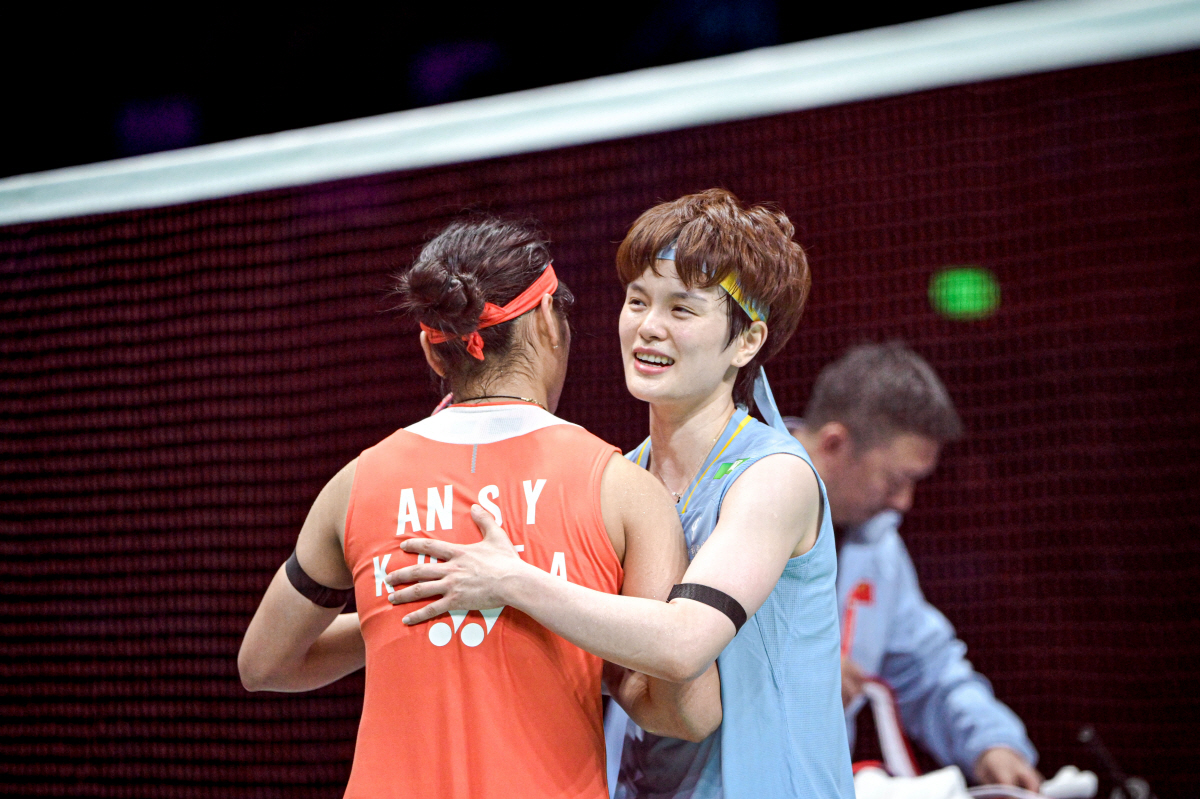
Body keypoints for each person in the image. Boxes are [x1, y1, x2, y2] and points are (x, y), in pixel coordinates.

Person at [386, 189, 854, 798]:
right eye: (637, 301)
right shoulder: (621, 480)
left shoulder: (773, 478)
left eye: (682, 310)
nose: (648, 327)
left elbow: (684, 641)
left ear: (746, 341)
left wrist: (511, 581)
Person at [237, 217, 722, 799]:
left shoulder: (355, 484)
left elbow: (264, 664)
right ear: (548, 320)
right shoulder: (625, 491)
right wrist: (574, 630)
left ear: (431, 348)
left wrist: (398, 615)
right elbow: (686, 715)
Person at [786, 342, 1042, 790]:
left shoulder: (878, 545)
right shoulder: (730, 491)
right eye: (896, 479)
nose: (903, 503)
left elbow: (927, 667)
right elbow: (676, 639)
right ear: (834, 443)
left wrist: (992, 744)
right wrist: (795, 662)